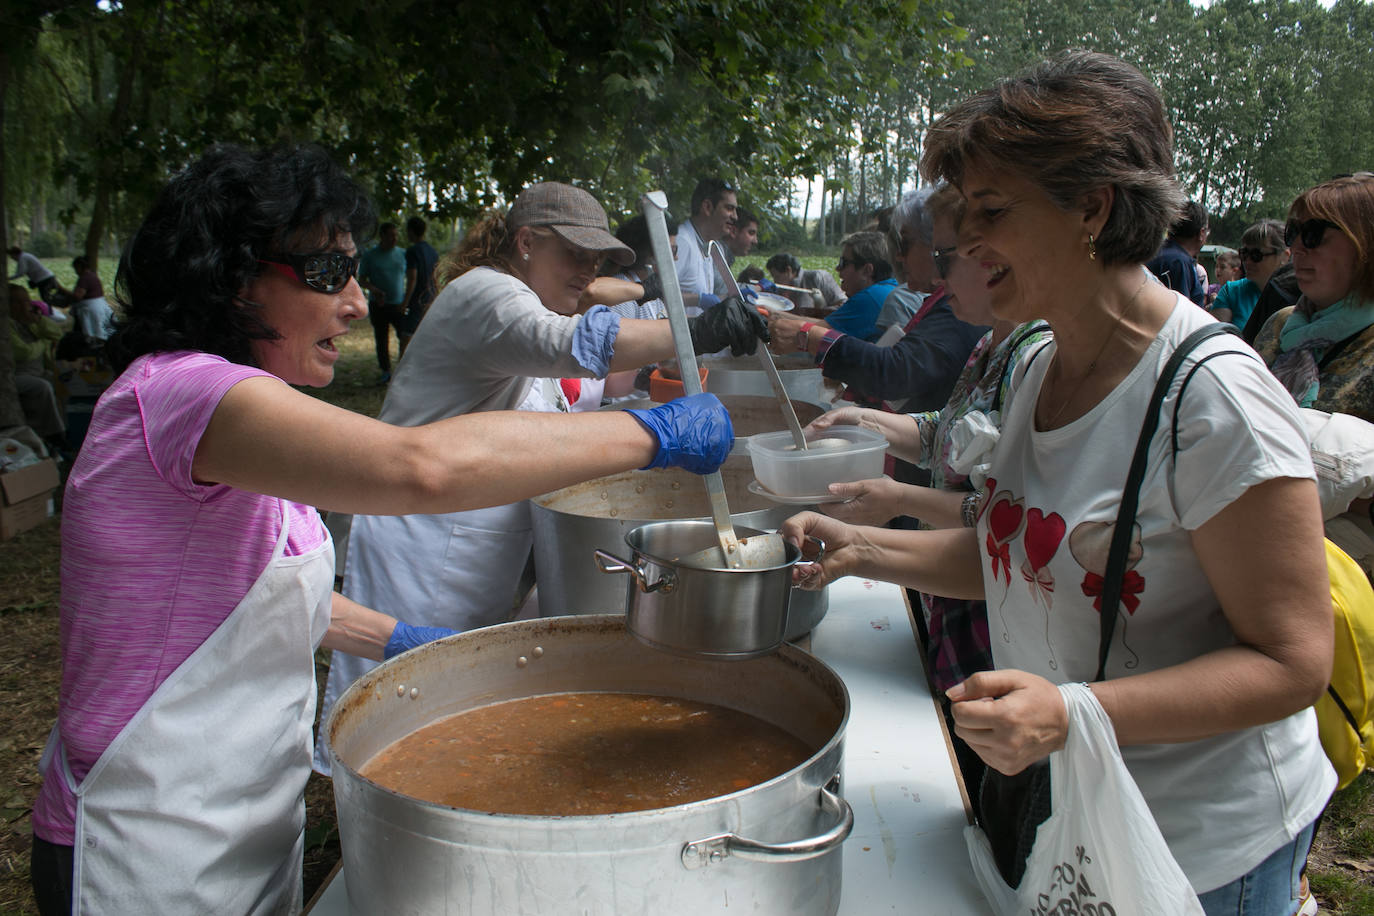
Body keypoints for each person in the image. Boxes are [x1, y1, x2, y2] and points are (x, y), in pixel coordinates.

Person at [28, 144, 736, 916]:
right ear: (232, 276)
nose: (361, 303)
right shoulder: (186, 393)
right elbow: (416, 466)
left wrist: (405, 642)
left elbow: (254, 594)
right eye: (329, 274)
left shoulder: (247, 422)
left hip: (241, 819)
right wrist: (653, 435)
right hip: (143, 838)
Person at [781, 52, 1333, 916]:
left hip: (1201, 844)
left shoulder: (1212, 400)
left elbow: (1294, 662)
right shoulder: (1038, 360)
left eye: (992, 212)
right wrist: (866, 548)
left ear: (1093, 207)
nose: (962, 245)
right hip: (1074, 810)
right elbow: (1015, 552)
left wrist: (1074, 713)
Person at [317, 181, 768, 774]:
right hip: (421, 537)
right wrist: (697, 332)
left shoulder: (530, 297)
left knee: (455, 711)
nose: (586, 271)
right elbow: (572, 345)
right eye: (573, 254)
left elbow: (584, 326)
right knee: (397, 726)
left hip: (470, 530)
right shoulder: (485, 293)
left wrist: (664, 307)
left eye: (595, 258)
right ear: (526, 241)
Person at [800, 189, 1053, 803]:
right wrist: (865, 419)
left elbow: (998, 517)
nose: (935, 277)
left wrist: (895, 502)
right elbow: (945, 432)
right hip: (956, 599)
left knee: (978, 770)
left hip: (988, 620)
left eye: (947, 257)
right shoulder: (993, 342)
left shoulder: (1038, 356)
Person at [765, 192, 988, 415]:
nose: (900, 257)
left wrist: (806, 336)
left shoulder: (957, 304)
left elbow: (897, 374)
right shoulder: (938, 298)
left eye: (906, 244)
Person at [1253, 172, 1374, 424]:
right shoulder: (1280, 323)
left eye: (1313, 233)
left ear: (1365, 243)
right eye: (1293, 232)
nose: (1295, 248)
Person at [8, 283, 66, 453]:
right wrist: (42, 342)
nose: (25, 306)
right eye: (18, 302)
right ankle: (55, 435)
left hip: (37, 371)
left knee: (60, 382)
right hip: (14, 375)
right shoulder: (6, 325)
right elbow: (24, 353)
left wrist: (39, 321)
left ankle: (64, 430)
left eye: (26, 301)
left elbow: (57, 334)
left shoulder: (30, 322)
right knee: (42, 387)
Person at [674, 177, 737, 314]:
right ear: (707, 207)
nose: (735, 217)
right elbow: (658, 296)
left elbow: (708, 299)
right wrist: (698, 299)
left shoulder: (710, 245)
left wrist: (730, 297)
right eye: (729, 208)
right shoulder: (682, 241)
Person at [1211, 219, 1288, 329]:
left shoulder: (1296, 294)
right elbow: (1217, 338)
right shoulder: (1231, 291)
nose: (1247, 261)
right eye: (1244, 253)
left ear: (1284, 257)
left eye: (1256, 255)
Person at [357, 221, 408, 382]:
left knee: (404, 336)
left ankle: (404, 371)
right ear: (383, 236)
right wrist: (375, 290)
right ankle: (385, 371)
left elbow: (412, 276)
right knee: (381, 338)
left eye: (396, 235)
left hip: (399, 304)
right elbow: (362, 279)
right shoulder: (370, 256)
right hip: (378, 305)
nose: (395, 238)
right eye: (391, 235)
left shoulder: (403, 254)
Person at [1145, 199, 1208, 306]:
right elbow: (1181, 313)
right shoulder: (1177, 262)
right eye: (1207, 231)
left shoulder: (1161, 253)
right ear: (1201, 233)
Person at [765, 251, 847, 313]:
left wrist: (822, 308)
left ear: (788, 270)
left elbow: (843, 304)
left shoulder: (818, 277)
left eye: (777, 276)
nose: (775, 281)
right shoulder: (782, 289)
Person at [399, 215, 439, 339]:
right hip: (430, 298)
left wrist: (405, 303)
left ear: (411, 231)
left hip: (416, 300)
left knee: (407, 337)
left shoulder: (412, 251)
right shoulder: (433, 252)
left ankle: (404, 359)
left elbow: (412, 278)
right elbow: (436, 277)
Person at [66, 255, 115, 344]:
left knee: (95, 334)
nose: (75, 271)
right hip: (99, 306)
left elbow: (78, 296)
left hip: (92, 309)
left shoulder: (85, 278)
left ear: (80, 267)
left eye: (76, 268)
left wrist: (61, 289)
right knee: (101, 332)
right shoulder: (92, 276)